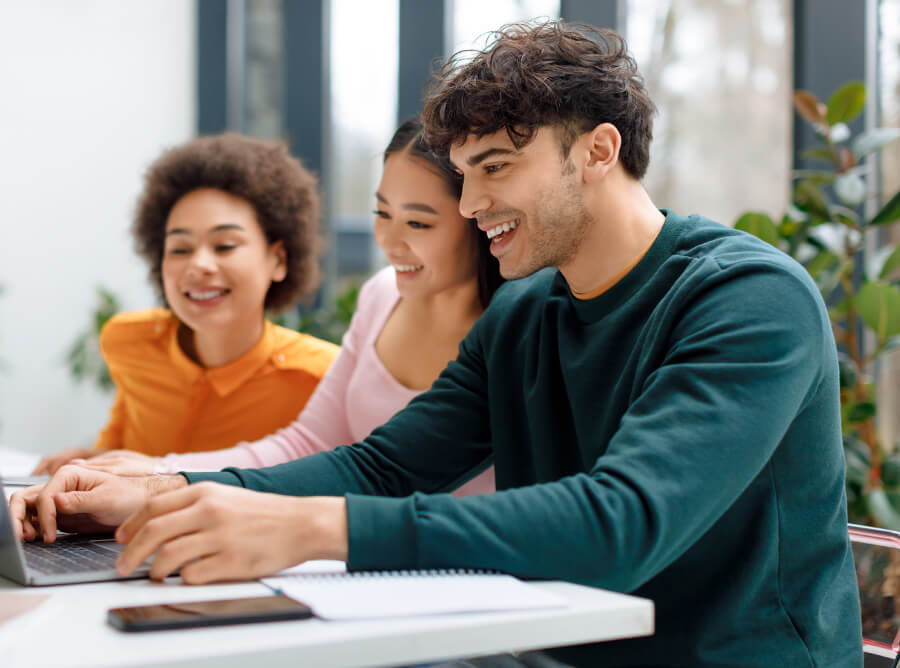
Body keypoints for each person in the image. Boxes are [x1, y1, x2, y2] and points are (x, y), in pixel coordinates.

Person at [12, 21, 861, 667]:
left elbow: (622, 521)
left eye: (494, 167)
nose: (466, 205)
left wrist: (310, 530)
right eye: (465, 173)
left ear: (598, 151)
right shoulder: (527, 314)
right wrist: (165, 490)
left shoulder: (747, 299)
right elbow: (380, 465)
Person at [65, 118, 499, 497]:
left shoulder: (518, 323)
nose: (386, 241)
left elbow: (378, 474)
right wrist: (159, 471)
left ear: (479, 218)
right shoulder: (381, 295)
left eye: (418, 222)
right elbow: (309, 443)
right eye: (381, 213)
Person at [32, 134, 339, 474]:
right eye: (180, 249)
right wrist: (92, 461)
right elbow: (119, 449)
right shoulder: (130, 341)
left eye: (224, 245)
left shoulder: (321, 378)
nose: (199, 265)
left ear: (278, 259)